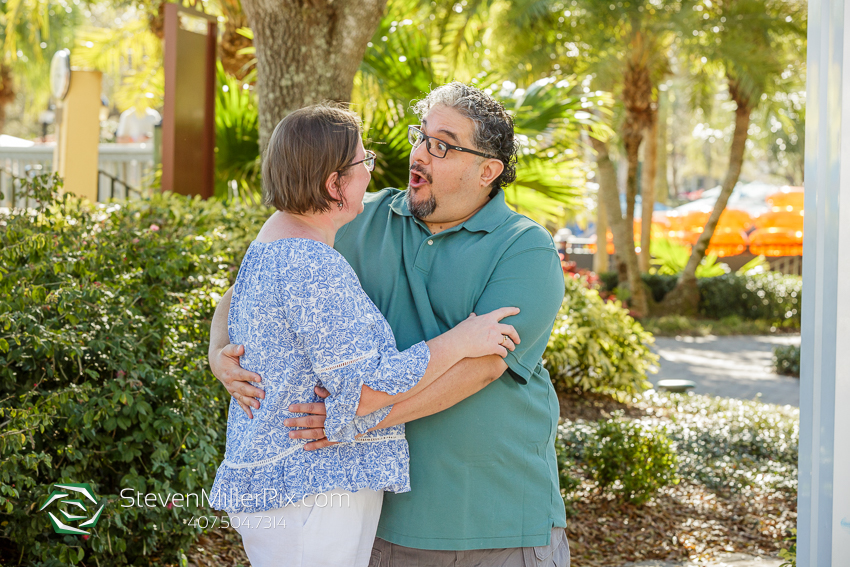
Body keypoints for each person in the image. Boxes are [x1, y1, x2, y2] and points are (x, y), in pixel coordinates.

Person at [209, 83, 571, 566]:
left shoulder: (525, 249)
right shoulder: (358, 216)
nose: (419, 154)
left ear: (488, 170)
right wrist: (219, 353)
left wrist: (347, 421)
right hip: (380, 522)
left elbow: (482, 367)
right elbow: (254, 286)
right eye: (420, 137)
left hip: (496, 522)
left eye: (442, 145)